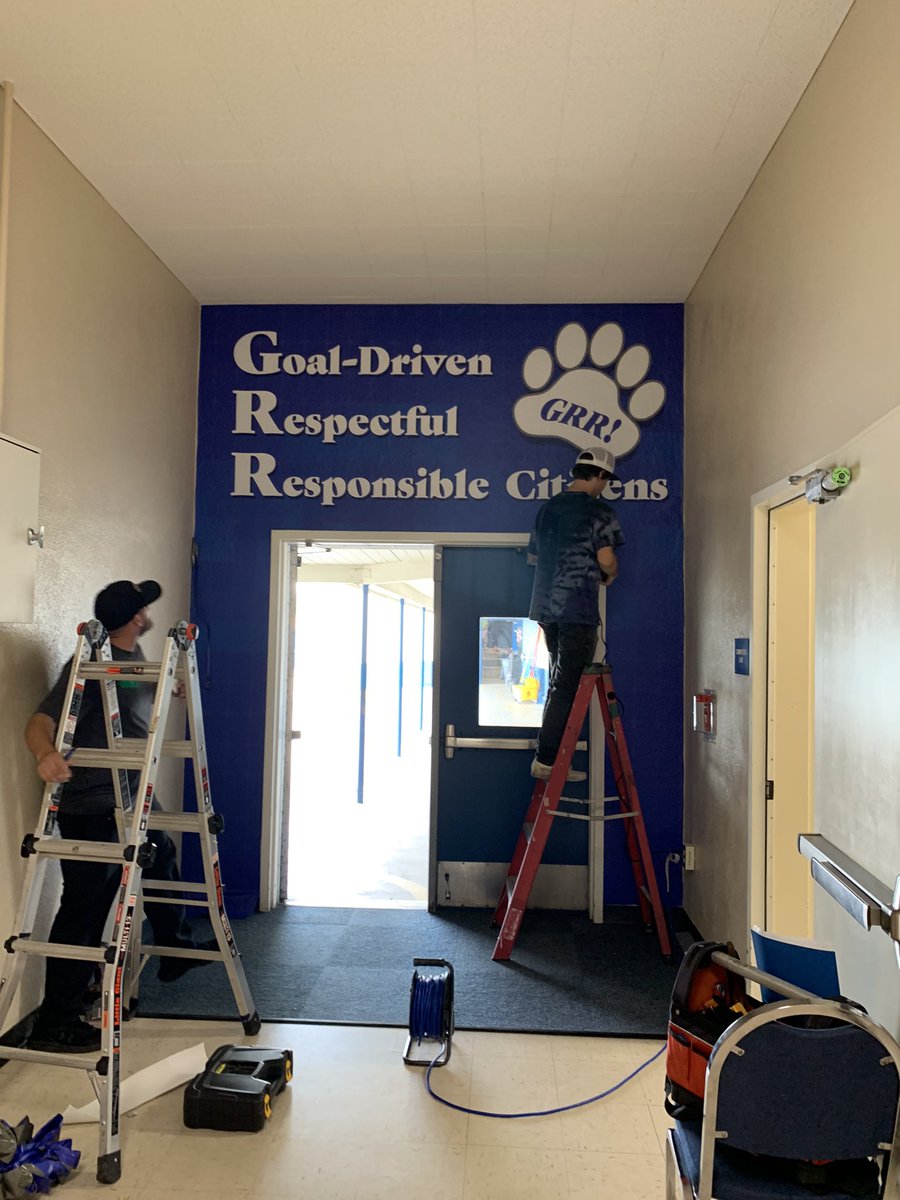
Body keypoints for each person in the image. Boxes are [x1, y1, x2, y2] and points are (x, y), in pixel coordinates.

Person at [24, 579, 215, 1053]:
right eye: (144, 608)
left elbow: (134, 704)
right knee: (85, 906)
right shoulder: (87, 666)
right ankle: (55, 1021)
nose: (148, 613)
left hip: (132, 796)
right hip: (92, 802)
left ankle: (175, 949)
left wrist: (165, 687)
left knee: (161, 850)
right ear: (135, 618)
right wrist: (45, 755)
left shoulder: (134, 660)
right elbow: (41, 720)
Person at [527, 447, 624, 782]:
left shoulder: (547, 510)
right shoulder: (598, 511)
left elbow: (535, 557)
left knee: (558, 685)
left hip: (545, 610)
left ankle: (548, 756)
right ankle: (548, 760)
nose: (603, 487)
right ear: (599, 476)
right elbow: (607, 560)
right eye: (605, 480)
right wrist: (610, 575)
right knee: (566, 687)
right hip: (577, 612)